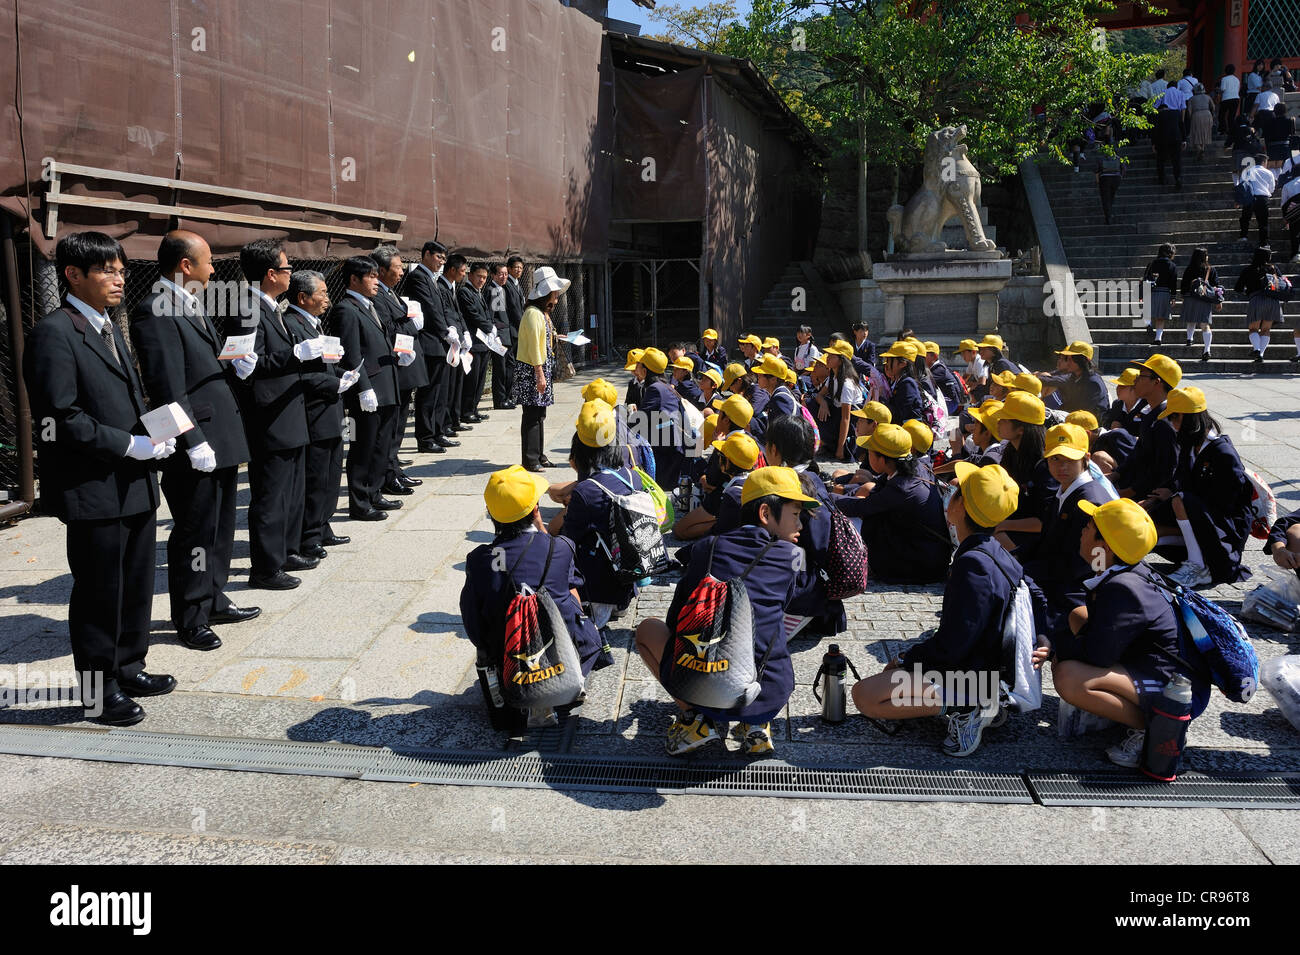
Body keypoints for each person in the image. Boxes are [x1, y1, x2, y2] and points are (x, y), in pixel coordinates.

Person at [24, 232, 179, 724]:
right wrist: (127, 444)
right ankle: (97, 691)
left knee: (135, 583)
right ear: (73, 275)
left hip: (133, 480)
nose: (119, 278)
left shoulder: (108, 325)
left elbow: (125, 399)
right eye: (107, 270)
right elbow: (60, 416)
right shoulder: (55, 332)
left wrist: (155, 434)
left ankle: (129, 665)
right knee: (97, 594)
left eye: (120, 269)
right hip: (92, 486)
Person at [634, 466, 819, 756]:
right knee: (773, 637)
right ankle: (756, 725)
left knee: (648, 629)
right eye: (795, 515)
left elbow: (677, 619)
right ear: (766, 515)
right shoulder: (793, 557)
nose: (801, 527)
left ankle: (695, 720)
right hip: (767, 695)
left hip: (702, 687)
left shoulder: (706, 548)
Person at [852, 462, 1032, 756]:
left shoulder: (973, 564)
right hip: (988, 667)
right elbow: (1033, 592)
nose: (948, 492)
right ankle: (979, 698)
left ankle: (967, 706)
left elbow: (952, 646)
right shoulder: (995, 549)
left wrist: (906, 659)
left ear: (962, 506)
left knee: (866, 697)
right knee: (884, 683)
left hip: (972, 675)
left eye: (955, 490)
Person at [129, 230, 254, 652]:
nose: (214, 269)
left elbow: (200, 367)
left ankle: (214, 596)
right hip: (193, 439)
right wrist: (192, 440)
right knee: (194, 533)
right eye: (207, 262)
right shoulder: (155, 311)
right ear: (186, 266)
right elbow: (166, 386)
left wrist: (236, 363)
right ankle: (191, 615)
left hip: (219, 433)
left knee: (218, 528)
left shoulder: (189, 304)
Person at [1048, 498, 1211, 768]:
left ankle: (1156, 729)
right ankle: (1125, 712)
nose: (1082, 531)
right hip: (1158, 668)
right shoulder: (1129, 570)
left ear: (1105, 547)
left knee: (1069, 677)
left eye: (1088, 526)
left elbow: (1097, 655)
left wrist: (1055, 646)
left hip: (1176, 690)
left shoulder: (1124, 589)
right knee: (1078, 617)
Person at [461, 465, 606, 728]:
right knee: (570, 592)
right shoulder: (560, 548)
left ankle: (525, 689)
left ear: (492, 516)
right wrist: (542, 530)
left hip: (511, 657)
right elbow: (569, 587)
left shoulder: (480, 560)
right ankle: (570, 681)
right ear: (535, 510)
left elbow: (474, 626)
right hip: (562, 653)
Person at [239, 239, 318, 588]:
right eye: (287, 268)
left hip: (289, 412)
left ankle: (287, 550)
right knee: (271, 495)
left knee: (292, 491)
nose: (290, 274)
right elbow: (249, 366)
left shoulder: (271, 306)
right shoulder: (249, 309)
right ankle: (266, 567)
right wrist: (296, 354)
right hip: (270, 418)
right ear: (271, 274)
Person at [558, 400, 656, 633]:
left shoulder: (585, 491)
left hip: (597, 593)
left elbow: (567, 543)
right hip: (626, 586)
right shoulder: (633, 477)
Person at [1146, 387, 1252, 589]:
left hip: (1223, 528)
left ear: (1186, 418)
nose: (1172, 425)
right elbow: (1180, 481)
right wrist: (1157, 499)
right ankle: (1192, 558)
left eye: (1173, 418)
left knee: (1180, 501)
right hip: (1198, 515)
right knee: (1151, 522)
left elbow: (1225, 504)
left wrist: (1179, 498)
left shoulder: (1223, 453)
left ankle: (1199, 566)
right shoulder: (1190, 445)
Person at [282, 270, 354, 561]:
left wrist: (342, 374)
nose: (327, 298)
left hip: (331, 408)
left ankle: (323, 524)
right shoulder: (292, 325)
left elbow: (323, 365)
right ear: (303, 297)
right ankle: (308, 535)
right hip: (314, 411)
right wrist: (334, 383)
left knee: (332, 472)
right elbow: (300, 375)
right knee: (316, 476)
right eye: (322, 293)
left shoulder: (314, 324)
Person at [1020, 423, 1113, 636]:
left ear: (1086, 458)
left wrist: (1027, 571)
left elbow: (1094, 566)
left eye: (1070, 460)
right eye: (1055, 459)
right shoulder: (1065, 490)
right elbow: (1047, 540)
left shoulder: (1092, 501)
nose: (1061, 467)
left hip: (1077, 589)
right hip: (1055, 575)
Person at [331, 255, 404, 523]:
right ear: (354, 279)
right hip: (368, 390)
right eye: (371, 276)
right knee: (363, 447)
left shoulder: (369, 306)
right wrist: (363, 387)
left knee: (382, 444)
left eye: (376, 275)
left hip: (386, 384)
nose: (376, 281)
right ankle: (359, 502)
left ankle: (374, 492)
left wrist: (397, 357)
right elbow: (351, 354)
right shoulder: (346, 309)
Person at [833, 424, 951, 583]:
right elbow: (875, 489)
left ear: (882, 459)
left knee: (850, 522)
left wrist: (824, 497)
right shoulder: (912, 467)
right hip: (923, 549)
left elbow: (861, 507)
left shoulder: (902, 487)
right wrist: (838, 490)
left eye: (870, 451)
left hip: (922, 565)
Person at [371, 246, 425, 495]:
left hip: (404, 364)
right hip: (393, 365)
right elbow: (391, 327)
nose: (402, 272)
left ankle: (394, 469)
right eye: (398, 267)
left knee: (400, 422)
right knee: (391, 426)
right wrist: (410, 324)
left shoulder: (390, 292)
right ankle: (387, 473)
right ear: (381, 271)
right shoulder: (378, 295)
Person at [406, 240, 458, 454]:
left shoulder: (433, 279)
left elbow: (442, 308)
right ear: (426, 254)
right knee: (428, 393)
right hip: (429, 341)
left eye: (444, 259)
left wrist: (452, 328)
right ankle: (426, 437)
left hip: (440, 342)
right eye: (438, 257)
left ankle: (437, 431)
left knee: (440, 391)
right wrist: (445, 331)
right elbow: (430, 308)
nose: (441, 262)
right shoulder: (418, 276)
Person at [989, 392, 1055, 555]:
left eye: (1004, 419)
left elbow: (1043, 522)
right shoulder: (1011, 451)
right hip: (1011, 524)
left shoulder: (1046, 466)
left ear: (1020, 430)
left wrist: (1002, 526)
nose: (998, 422)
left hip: (1037, 541)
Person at [516, 266, 567, 471]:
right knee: (531, 415)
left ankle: (538, 454)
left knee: (539, 415)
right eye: (554, 292)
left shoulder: (541, 313)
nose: (556, 296)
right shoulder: (533, 314)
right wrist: (539, 373)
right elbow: (534, 346)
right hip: (532, 368)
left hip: (538, 367)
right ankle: (530, 459)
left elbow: (544, 339)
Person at [1115, 354, 1181, 502]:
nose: (1135, 380)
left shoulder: (1165, 421)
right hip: (1136, 485)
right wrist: (1116, 474)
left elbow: (1164, 471)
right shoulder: (1150, 413)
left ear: (1157, 382)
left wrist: (1129, 492)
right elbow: (1138, 451)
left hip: (1151, 496)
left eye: (1141, 376)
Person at [673, 430, 760, 540]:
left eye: (720, 455)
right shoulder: (759, 484)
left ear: (727, 462)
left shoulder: (727, 495)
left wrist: (718, 522)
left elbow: (680, 530)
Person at [457, 262, 494, 424]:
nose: (482, 280)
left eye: (485, 277)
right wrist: (489, 327)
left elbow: (485, 314)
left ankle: (474, 408)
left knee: (480, 379)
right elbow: (473, 315)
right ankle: (466, 411)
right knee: (471, 380)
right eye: (479, 276)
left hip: (483, 342)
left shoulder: (479, 292)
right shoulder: (465, 292)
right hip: (473, 342)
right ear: (470, 275)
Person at [1235, 245, 1284, 362]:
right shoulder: (1274, 269)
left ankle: (1256, 349)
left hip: (1256, 300)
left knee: (1253, 329)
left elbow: (1238, 288)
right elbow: (1281, 284)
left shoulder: (1249, 269)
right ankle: (1261, 354)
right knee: (1266, 330)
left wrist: (1248, 291)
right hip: (1273, 301)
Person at [815, 340, 862, 462]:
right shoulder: (832, 377)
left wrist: (840, 449)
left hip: (851, 420)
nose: (827, 358)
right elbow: (818, 396)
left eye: (832, 356)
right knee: (811, 404)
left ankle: (838, 445)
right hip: (838, 413)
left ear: (841, 360)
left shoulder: (846, 383)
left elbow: (846, 418)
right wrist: (823, 403)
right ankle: (826, 442)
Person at [1037, 341, 1109, 418]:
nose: (1068, 362)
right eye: (1067, 358)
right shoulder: (1074, 376)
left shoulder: (1093, 383)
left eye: (1072, 359)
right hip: (1073, 416)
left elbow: (1085, 411)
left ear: (1083, 360)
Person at [1179, 247, 1222, 362]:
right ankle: (1207, 350)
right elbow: (1216, 285)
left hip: (1190, 297)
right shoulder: (1210, 269)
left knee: (1191, 319)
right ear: (1204, 257)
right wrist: (1219, 300)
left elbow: (1183, 284)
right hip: (1204, 299)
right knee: (1205, 325)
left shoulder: (1189, 268)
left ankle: (1189, 339)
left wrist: (1183, 296)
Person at [486, 261, 516, 410]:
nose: (504, 277)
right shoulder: (493, 290)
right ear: (493, 275)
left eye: (506, 274)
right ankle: (500, 399)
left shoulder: (502, 289)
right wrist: (495, 335)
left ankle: (507, 396)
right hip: (499, 336)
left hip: (507, 335)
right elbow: (492, 317)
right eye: (500, 274)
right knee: (500, 369)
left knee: (509, 365)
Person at [750, 354, 799, 441]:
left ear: (773, 379)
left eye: (762, 374)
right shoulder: (781, 394)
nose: (758, 376)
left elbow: (783, 433)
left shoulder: (781, 398)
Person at [1141, 243, 1178, 345]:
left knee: (1149, 311)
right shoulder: (1172, 265)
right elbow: (1173, 282)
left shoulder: (1152, 263)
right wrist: (1173, 296)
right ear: (1170, 253)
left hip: (1151, 291)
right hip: (1164, 293)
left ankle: (1147, 323)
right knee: (1160, 317)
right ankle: (1158, 338)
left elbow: (1146, 278)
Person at [1238, 153, 1276, 250]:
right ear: (1263, 162)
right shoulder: (1268, 172)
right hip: (1262, 198)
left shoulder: (1247, 171)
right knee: (1263, 221)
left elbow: (1242, 185)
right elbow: (1272, 188)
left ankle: (1243, 236)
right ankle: (1264, 242)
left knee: (1245, 218)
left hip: (1249, 197)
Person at [1094, 126, 1125, 225]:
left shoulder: (1101, 157)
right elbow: (1123, 168)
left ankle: (1108, 215)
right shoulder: (1117, 157)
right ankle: (1109, 213)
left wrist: (1097, 180)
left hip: (1105, 178)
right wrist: (1121, 176)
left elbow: (1097, 170)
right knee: (1111, 196)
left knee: (1105, 198)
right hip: (1116, 177)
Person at [1152, 101, 1185, 190]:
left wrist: (1153, 143)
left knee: (1161, 161)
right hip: (1176, 139)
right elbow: (1181, 126)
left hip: (1162, 140)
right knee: (1176, 161)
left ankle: (1162, 179)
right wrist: (1184, 140)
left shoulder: (1158, 115)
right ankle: (1178, 178)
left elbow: (1155, 129)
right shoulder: (1176, 113)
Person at [1260, 103, 1296, 170]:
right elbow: (1292, 134)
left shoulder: (1268, 122)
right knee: (1285, 166)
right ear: (1285, 111)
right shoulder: (1289, 120)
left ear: (1275, 112)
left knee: (1272, 167)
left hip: (1272, 147)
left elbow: (1264, 136)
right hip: (1285, 146)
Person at [1187, 84, 1214, 159]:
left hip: (1196, 115)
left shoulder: (1191, 99)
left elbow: (1189, 111)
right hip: (1207, 114)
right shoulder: (1208, 97)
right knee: (1205, 133)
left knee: (1195, 133)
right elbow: (1213, 107)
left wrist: (1191, 118)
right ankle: (1202, 149)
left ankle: (1200, 149)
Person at [1218, 64, 1241, 137]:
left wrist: (1218, 92)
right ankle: (1232, 131)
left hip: (1226, 98)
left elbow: (1222, 89)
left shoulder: (1224, 79)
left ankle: (1223, 130)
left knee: (1221, 115)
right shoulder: (1237, 79)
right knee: (1231, 116)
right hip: (1236, 98)